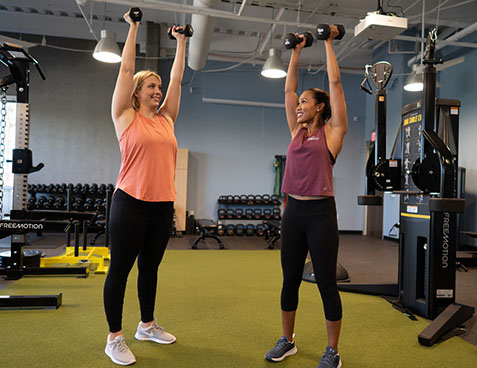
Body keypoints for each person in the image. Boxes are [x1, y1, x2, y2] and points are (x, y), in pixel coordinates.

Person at [103, 9, 187, 366]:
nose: (158, 90)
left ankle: (146, 325)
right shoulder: (125, 115)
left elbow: (179, 80)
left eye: (158, 86)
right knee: (120, 268)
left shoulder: (167, 119)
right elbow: (125, 70)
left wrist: (182, 43)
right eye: (151, 86)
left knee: (150, 268)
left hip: (161, 204)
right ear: (136, 93)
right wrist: (133, 28)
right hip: (130, 202)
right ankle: (114, 337)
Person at [265, 26, 347, 368]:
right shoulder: (295, 131)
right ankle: (288, 340)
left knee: (326, 281)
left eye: (305, 102)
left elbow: (337, 85)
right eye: (298, 103)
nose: (298, 105)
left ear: (320, 107)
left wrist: (327, 43)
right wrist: (295, 50)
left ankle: (333, 351)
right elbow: (288, 87)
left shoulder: (333, 132)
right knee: (289, 279)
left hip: (320, 215)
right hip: (293, 212)